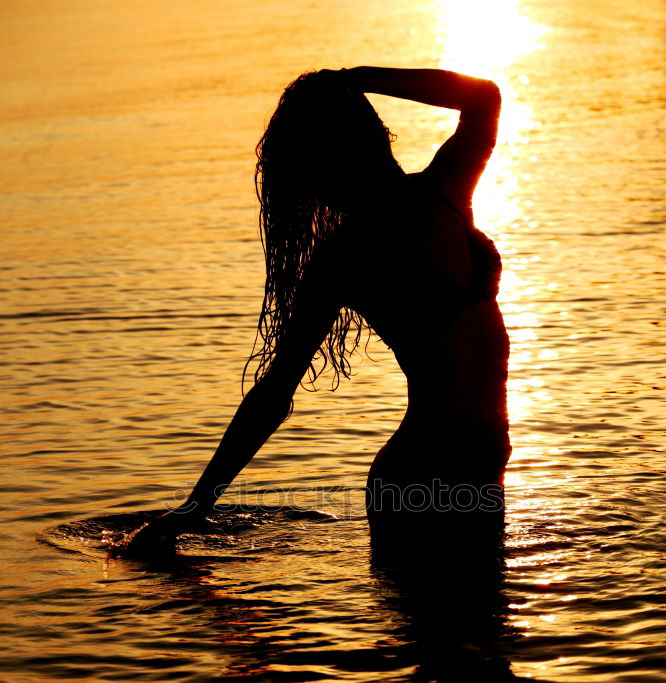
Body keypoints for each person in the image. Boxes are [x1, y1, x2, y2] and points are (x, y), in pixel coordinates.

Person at [119, 67, 511, 559]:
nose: (322, 189)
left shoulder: (446, 189)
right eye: (313, 173)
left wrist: (358, 76)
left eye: (325, 163)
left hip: (482, 471)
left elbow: (483, 97)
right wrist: (196, 506)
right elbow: (275, 390)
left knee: (482, 630)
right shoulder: (343, 257)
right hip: (422, 479)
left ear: (368, 139)